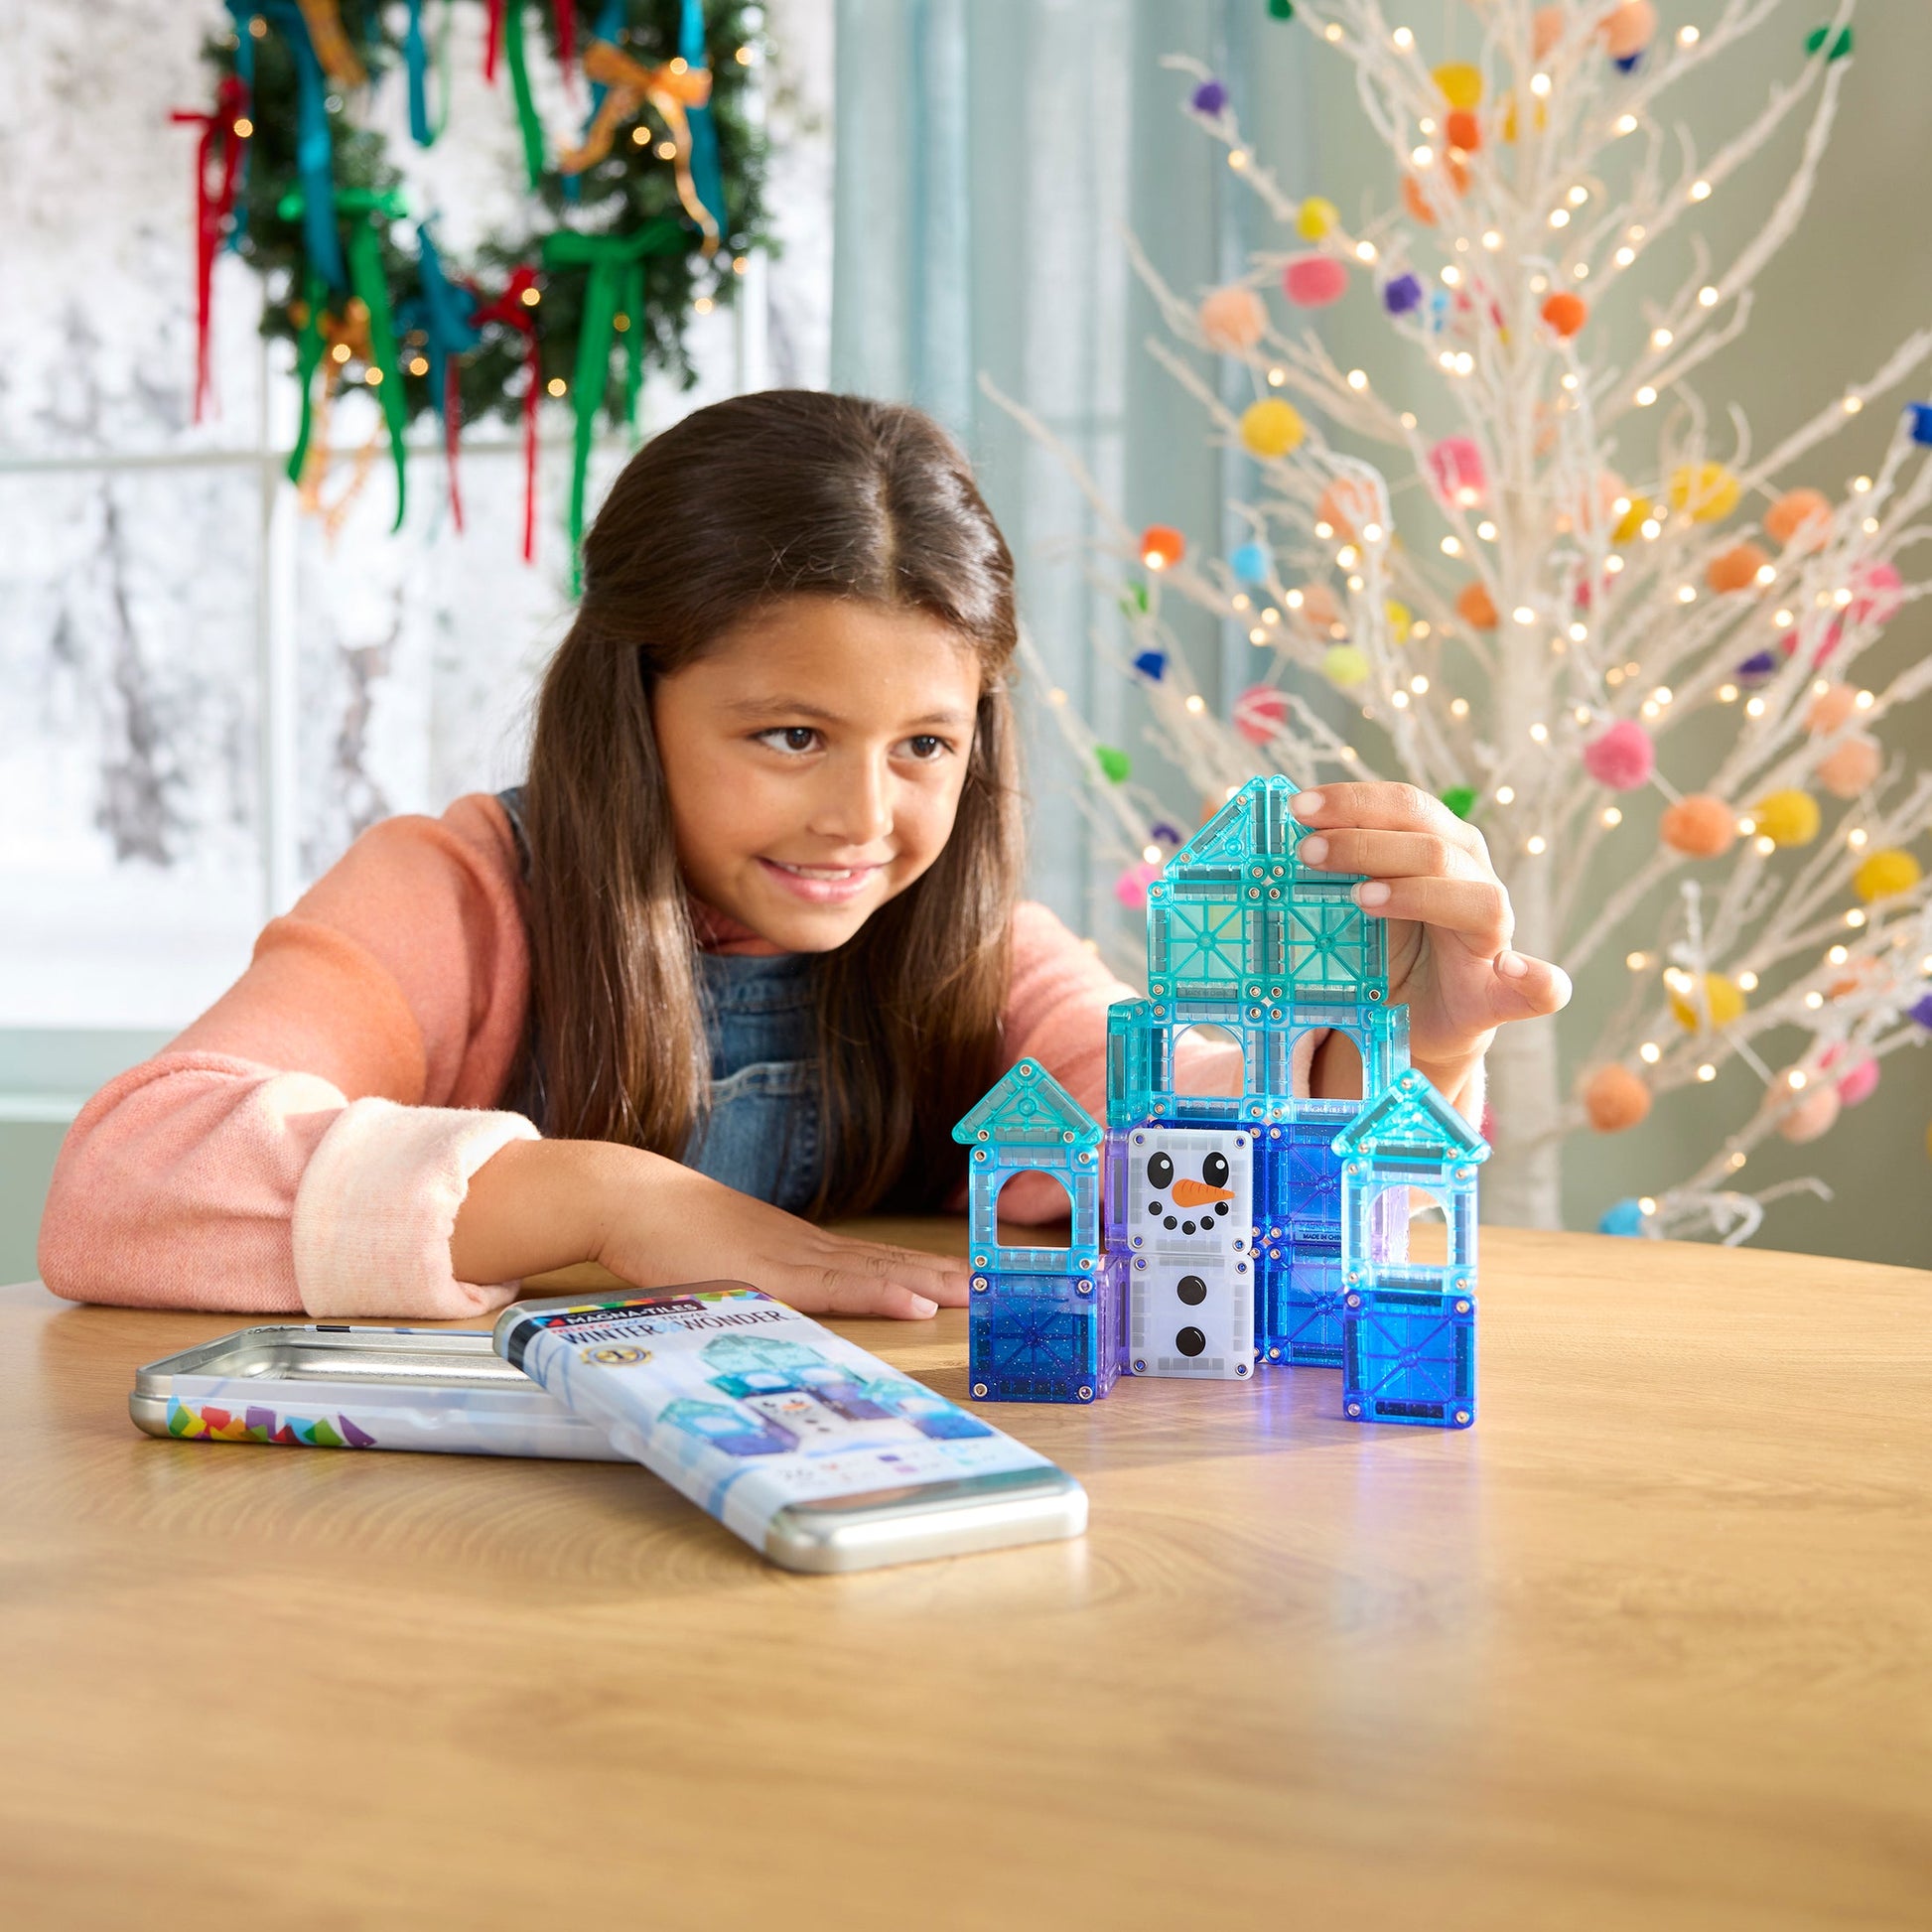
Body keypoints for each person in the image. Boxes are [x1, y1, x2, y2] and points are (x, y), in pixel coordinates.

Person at [39, 391, 1568, 1323]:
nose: (860, 817)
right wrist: (617, 1202)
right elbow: (123, 1182)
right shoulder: (458, 893)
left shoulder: (981, 952)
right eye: (789, 735)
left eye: (924, 746)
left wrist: (1407, 1049)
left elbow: (1190, 1167)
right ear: (633, 703)